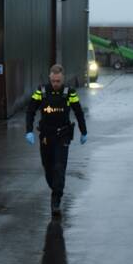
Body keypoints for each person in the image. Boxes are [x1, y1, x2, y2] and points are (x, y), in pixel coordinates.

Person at [25, 65, 88, 217]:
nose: (55, 84)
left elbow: (78, 111)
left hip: (63, 136)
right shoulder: (42, 91)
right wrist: (28, 130)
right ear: (50, 78)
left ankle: (56, 201)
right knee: (48, 169)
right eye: (53, 81)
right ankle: (56, 188)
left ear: (63, 78)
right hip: (46, 136)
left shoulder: (69, 93)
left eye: (58, 81)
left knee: (59, 168)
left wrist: (83, 131)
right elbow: (30, 110)